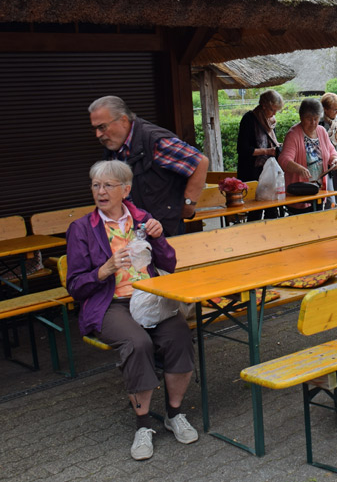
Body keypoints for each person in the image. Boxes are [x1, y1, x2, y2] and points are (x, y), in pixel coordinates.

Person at [66, 160, 197, 461]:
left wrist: (159, 235)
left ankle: (174, 414)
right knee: (138, 344)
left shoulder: (142, 219)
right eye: (96, 185)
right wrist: (104, 270)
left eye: (108, 185)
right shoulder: (82, 229)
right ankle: (143, 425)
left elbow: (168, 264)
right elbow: (75, 285)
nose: (100, 191)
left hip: (150, 297)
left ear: (125, 189)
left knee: (179, 335)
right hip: (109, 303)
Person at [89, 96, 209, 237]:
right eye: (95, 129)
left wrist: (188, 205)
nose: (98, 134)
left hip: (163, 230)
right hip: (133, 230)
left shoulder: (154, 141)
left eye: (102, 127)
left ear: (123, 120)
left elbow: (200, 162)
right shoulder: (113, 147)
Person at [278, 98, 337, 215]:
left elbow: (331, 150)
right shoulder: (293, 135)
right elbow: (284, 159)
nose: (313, 123)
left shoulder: (321, 131)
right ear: (301, 117)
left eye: (316, 119)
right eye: (309, 119)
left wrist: (334, 159)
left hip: (319, 191)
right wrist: (298, 168)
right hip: (300, 193)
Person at [237, 90, 285, 220]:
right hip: (252, 171)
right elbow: (243, 149)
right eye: (272, 109)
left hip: (268, 170)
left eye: (276, 110)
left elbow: (269, 141)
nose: (274, 113)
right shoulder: (249, 119)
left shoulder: (269, 120)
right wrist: (267, 151)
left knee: (272, 208)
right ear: (263, 105)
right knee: (255, 211)